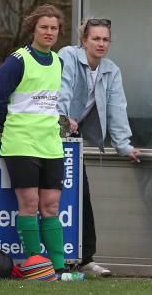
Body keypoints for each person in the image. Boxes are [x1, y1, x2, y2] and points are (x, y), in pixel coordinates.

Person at [0, 4, 72, 278]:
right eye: (44, 27)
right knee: (30, 203)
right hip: (22, 143)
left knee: (51, 206)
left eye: (54, 28)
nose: (49, 33)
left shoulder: (59, 61)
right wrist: (15, 126)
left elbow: (52, 105)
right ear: (33, 29)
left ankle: (59, 269)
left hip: (51, 145)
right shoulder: (18, 60)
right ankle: (35, 266)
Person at [57, 17, 140, 278]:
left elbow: (117, 107)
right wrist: (62, 117)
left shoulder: (110, 70)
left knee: (80, 194)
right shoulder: (68, 56)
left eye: (105, 39)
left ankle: (85, 258)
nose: (101, 44)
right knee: (50, 196)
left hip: (73, 135)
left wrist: (124, 145)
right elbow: (63, 89)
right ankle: (52, 257)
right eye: (96, 38)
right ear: (84, 41)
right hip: (52, 129)